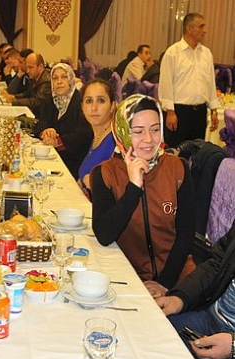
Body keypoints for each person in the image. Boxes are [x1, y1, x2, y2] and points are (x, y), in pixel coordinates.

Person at [91, 94, 195, 296]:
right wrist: (133, 187)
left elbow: (186, 233)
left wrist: (164, 283)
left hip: (176, 275)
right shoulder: (105, 174)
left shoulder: (178, 169)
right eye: (138, 131)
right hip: (128, 279)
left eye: (155, 129)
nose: (149, 139)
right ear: (122, 131)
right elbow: (104, 234)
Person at [156, 220, 235, 359]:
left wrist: (233, 345)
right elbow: (217, 262)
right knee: (154, 338)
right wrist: (180, 298)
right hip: (211, 317)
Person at [160, 12, 219, 148]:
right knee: (176, 152)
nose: (205, 30)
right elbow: (166, 84)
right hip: (179, 112)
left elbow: (210, 83)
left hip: (199, 113)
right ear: (189, 29)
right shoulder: (173, 53)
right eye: (201, 26)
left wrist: (213, 110)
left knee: (197, 152)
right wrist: (170, 112)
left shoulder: (206, 53)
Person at [33, 62, 92, 179]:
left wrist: (57, 142)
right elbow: (40, 122)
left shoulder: (81, 102)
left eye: (64, 77)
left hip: (73, 163)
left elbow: (83, 134)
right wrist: (46, 131)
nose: (59, 82)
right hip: (50, 157)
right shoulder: (50, 100)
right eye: (55, 78)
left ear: (71, 80)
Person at [77, 78, 117, 197]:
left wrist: (95, 183)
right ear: (82, 107)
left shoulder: (115, 141)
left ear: (112, 106)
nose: (94, 107)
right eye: (89, 101)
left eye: (101, 100)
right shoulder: (97, 136)